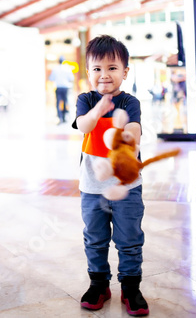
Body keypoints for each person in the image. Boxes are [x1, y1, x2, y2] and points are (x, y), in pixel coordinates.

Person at [72, 35, 148, 316]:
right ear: (88, 72)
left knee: (129, 238)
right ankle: (98, 284)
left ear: (125, 72)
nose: (104, 75)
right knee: (95, 237)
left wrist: (128, 135)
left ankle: (130, 287)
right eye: (97, 69)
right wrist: (99, 108)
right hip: (92, 186)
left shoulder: (130, 101)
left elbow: (136, 131)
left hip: (127, 186)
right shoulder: (86, 99)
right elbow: (83, 126)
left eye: (112, 68)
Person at [49, 56, 74, 124]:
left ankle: (60, 117)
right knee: (65, 101)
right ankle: (64, 116)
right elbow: (71, 78)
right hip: (65, 87)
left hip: (58, 87)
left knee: (58, 102)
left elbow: (51, 78)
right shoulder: (67, 68)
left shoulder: (55, 69)